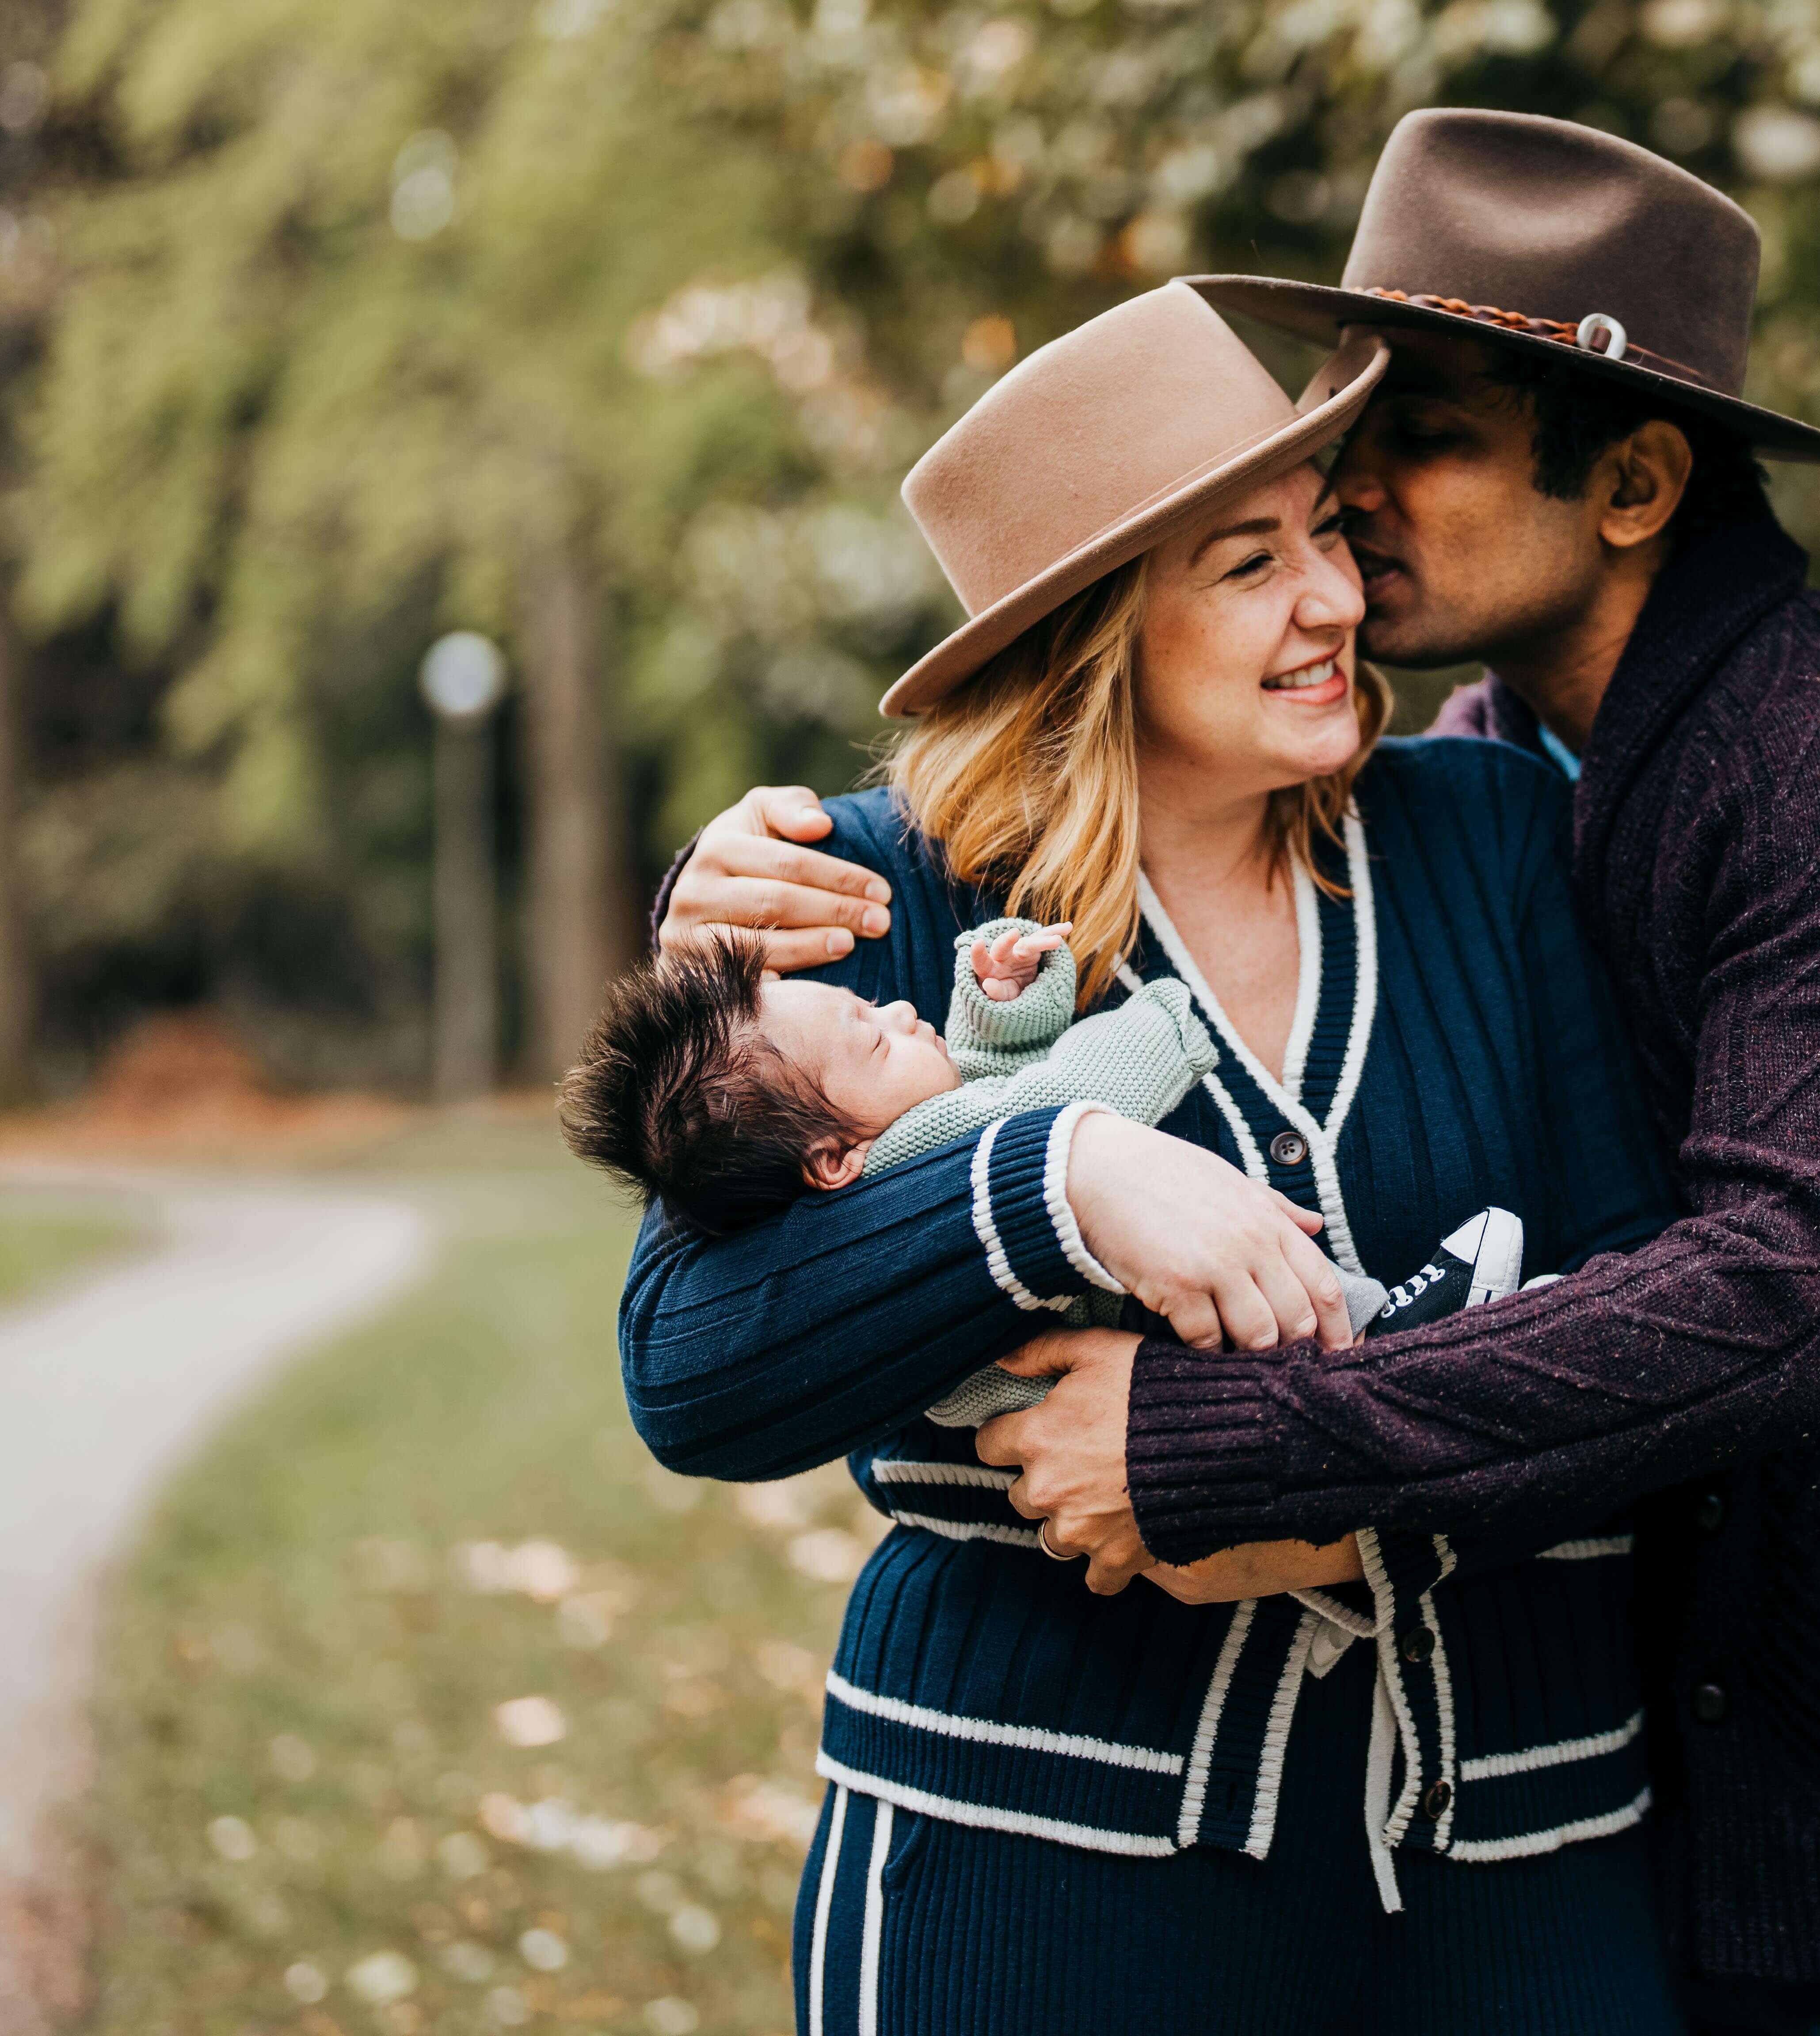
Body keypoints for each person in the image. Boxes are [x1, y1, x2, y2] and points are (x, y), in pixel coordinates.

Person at [656, 110, 1820, 2034]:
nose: (1348, 530)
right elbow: (699, 1344)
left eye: (1410, 442)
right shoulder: (1491, 776)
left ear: (1638, 478)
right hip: (1680, 1832)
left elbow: (1775, 1291)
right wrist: (995, 1131)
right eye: (1302, 492)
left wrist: (1225, 1449)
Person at [615, 282, 1685, 2034]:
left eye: (1325, 533)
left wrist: (1329, 1510)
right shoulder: (875, 893)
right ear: (1096, 628)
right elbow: (692, 1370)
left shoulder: (1490, 840)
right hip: (1033, 1872)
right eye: (1250, 564)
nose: (1340, 598)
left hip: (1514, 1862)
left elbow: (1661, 1326)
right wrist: (1060, 1180)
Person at [561, 920, 1524, 1422]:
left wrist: (997, 1006)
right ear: (835, 1159)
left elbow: (981, 1085)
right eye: (873, 1039)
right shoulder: (911, 1158)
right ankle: (1383, 1326)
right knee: (1258, 1320)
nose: (900, 1012)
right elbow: (1038, 1104)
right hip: (1098, 1370)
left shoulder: (876, 1153)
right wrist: (1161, 1027)